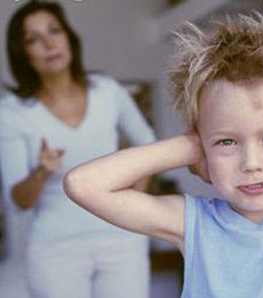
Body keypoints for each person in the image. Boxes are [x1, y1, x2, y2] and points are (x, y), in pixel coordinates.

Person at [63, 12, 263, 297]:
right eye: (227, 143)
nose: (251, 163)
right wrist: (192, 146)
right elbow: (83, 184)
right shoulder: (192, 225)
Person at [0, 1, 155, 297]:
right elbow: (19, 200)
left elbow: (148, 143)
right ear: (23, 54)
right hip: (54, 249)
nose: (48, 43)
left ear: (69, 37)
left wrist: (133, 199)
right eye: (33, 39)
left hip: (121, 238)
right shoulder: (12, 112)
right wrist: (42, 171)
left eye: (54, 31)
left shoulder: (107, 91)